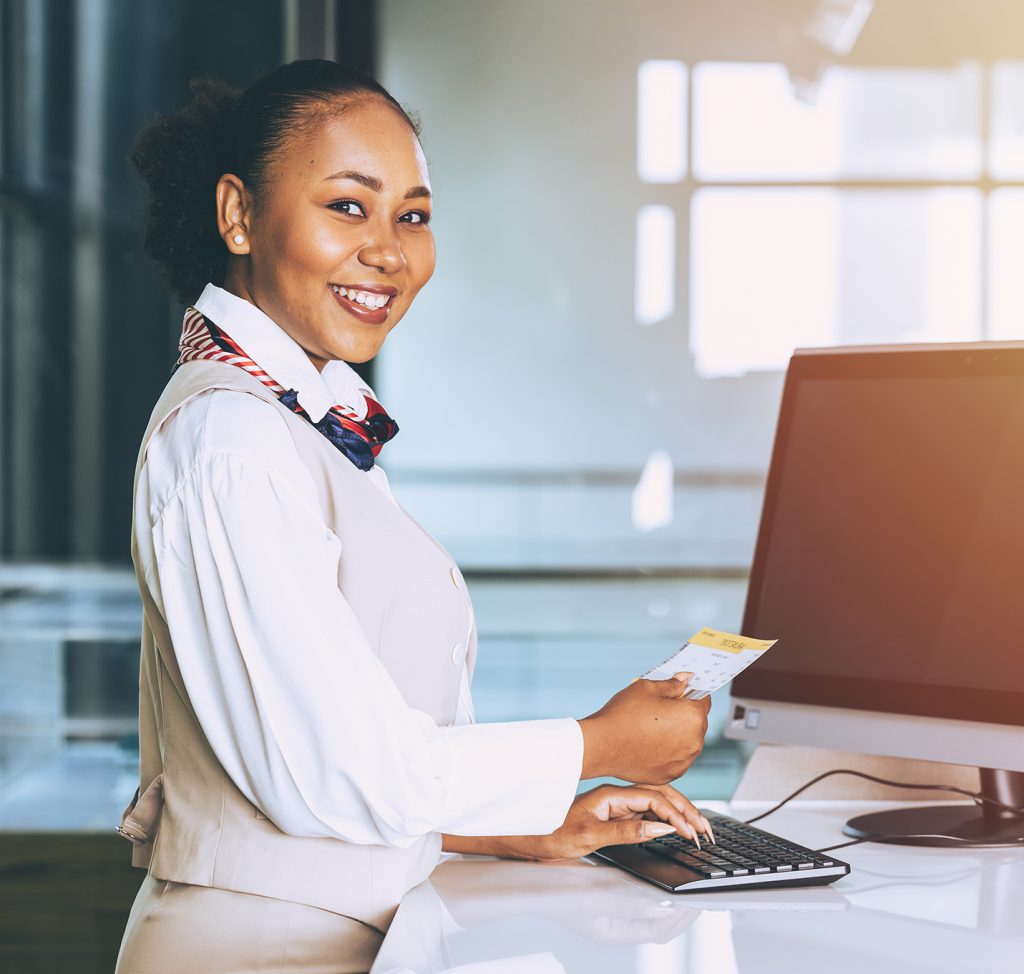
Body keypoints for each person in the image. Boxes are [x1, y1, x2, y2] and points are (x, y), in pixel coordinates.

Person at [115, 59, 712, 974]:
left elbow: (344, 763)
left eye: (415, 216)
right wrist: (599, 742)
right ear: (238, 215)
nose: (389, 250)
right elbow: (334, 773)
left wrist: (520, 829)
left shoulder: (294, 422)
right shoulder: (232, 437)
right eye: (348, 206)